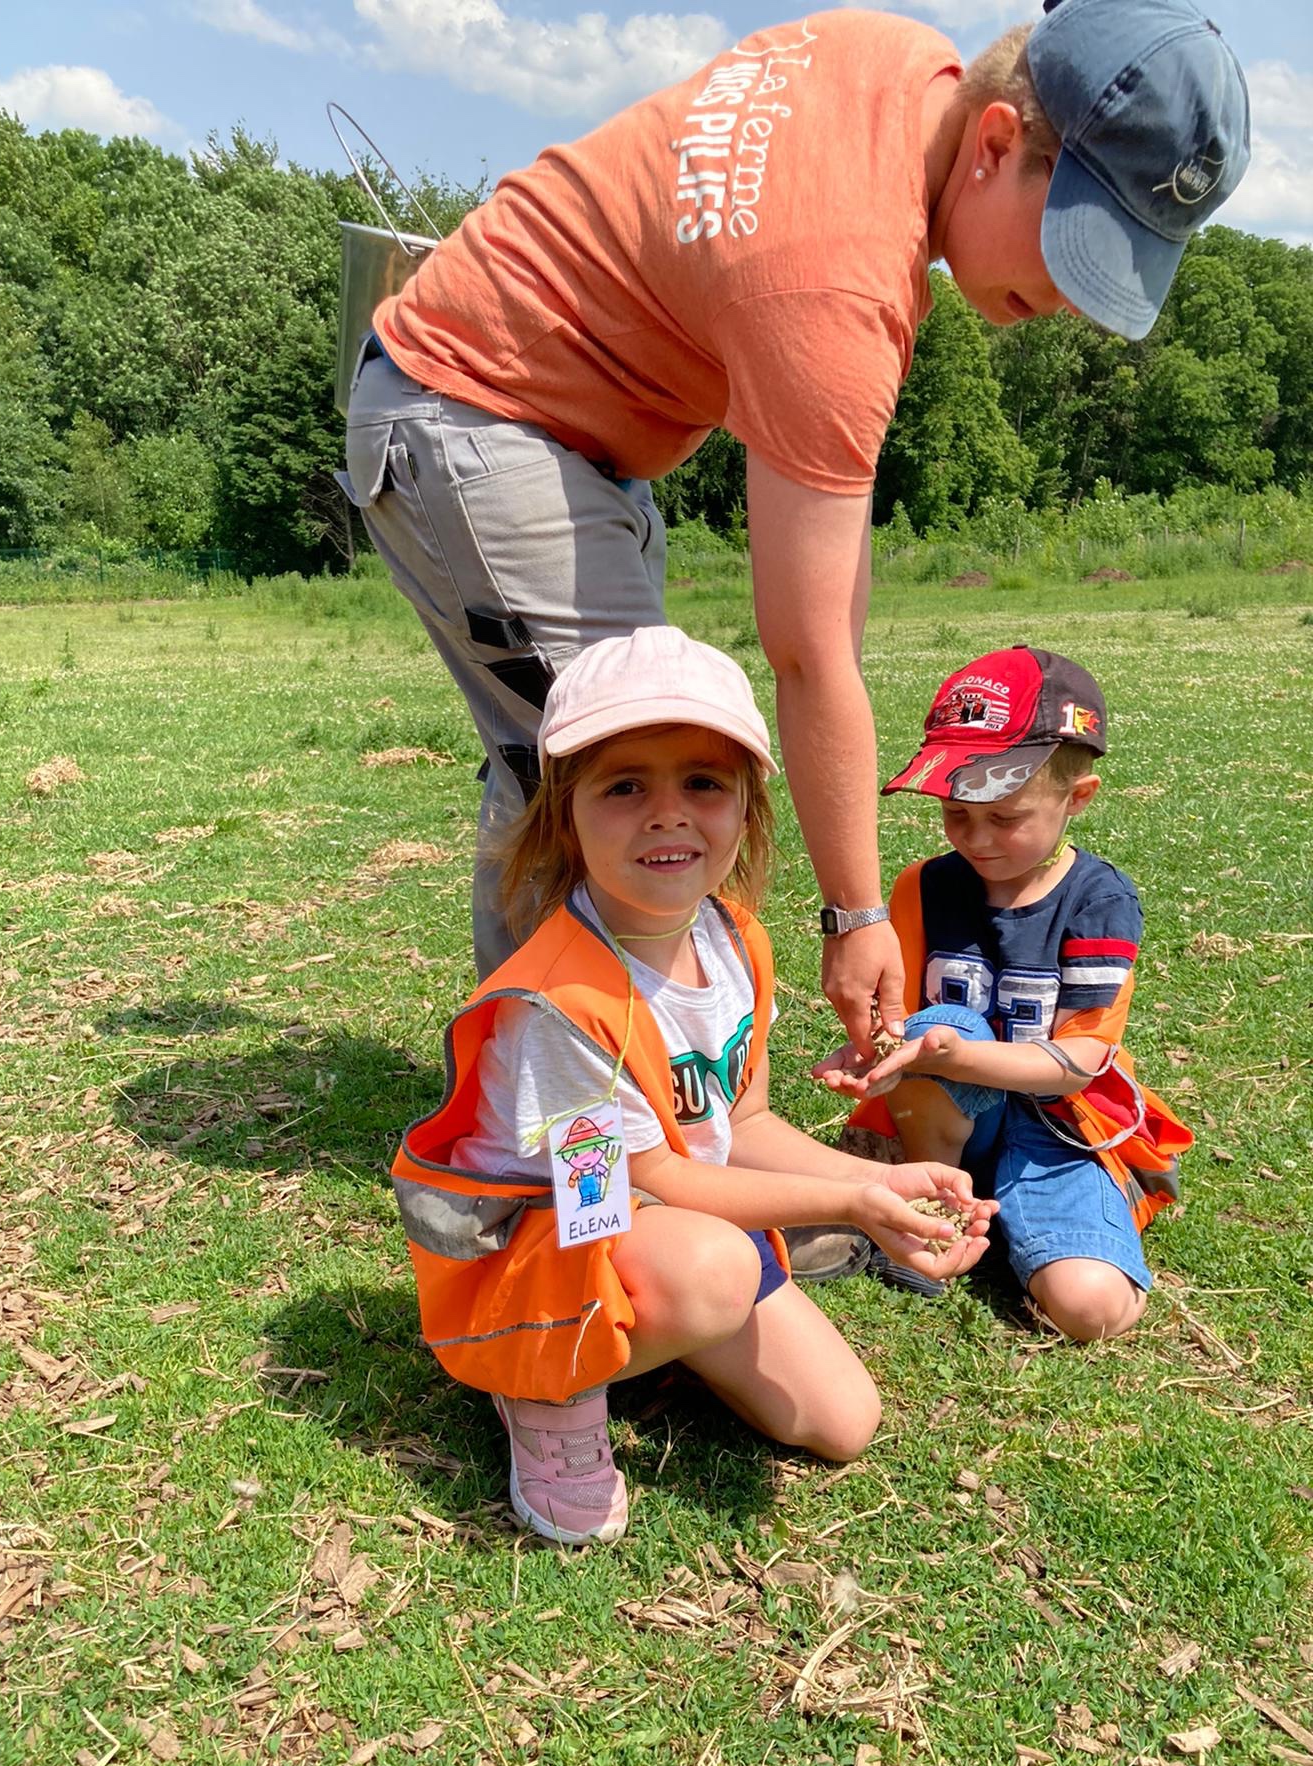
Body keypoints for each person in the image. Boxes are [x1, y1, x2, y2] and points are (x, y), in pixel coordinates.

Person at [345, 0, 1250, 1073]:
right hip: (480, 411)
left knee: (557, 761)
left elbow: (836, 608)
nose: (1073, 303)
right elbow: (810, 651)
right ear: (996, 142)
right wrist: (855, 914)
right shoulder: (834, 281)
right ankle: (614, 1127)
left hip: (560, 426)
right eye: (1076, 248)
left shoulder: (903, 68)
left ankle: (537, 1088)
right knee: (640, 770)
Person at [392, 627, 998, 1545]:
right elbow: (630, 1189)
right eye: (625, 786)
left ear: (748, 810)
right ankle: (544, 1384)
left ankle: (660, 1332)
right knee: (716, 1268)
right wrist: (855, 1203)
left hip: (664, 1230)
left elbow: (742, 1125)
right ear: (564, 816)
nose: (668, 814)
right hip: (550, 1251)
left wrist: (880, 1184)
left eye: (704, 783)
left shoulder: (737, 942)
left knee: (843, 1420)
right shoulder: (559, 1004)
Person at [815, 645, 1193, 1341]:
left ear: (1077, 799)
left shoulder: (1099, 901)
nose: (976, 838)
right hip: (945, 1121)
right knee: (944, 1020)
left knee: (1089, 1310)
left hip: (1059, 1126)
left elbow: (1078, 1063)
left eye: (1005, 816)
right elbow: (900, 1020)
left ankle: (1070, 1212)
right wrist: (873, 1051)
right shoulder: (924, 886)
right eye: (957, 813)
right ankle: (932, 1205)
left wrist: (946, 1054)